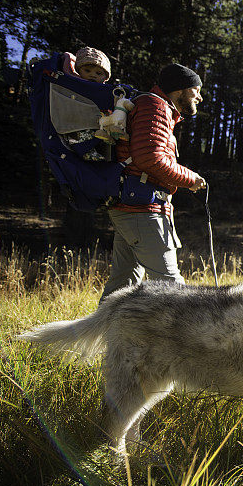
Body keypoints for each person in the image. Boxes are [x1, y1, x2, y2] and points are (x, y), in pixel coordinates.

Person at [99, 63, 206, 302]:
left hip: (133, 206)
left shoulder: (157, 108)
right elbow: (149, 158)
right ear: (180, 90)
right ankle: (191, 341)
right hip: (142, 209)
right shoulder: (155, 106)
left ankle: (99, 338)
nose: (199, 96)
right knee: (174, 292)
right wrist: (191, 179)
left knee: (121, 287)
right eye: (195, 90)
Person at [66, 46, 114, 161]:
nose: (93, 75)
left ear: (105, 78)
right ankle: (86, 152)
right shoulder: (75, 85)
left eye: (98, 73)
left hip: (100, 125)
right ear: (78, 70)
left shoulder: (105, 91)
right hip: (80, 124)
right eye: (87, 71)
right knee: (82, 135)